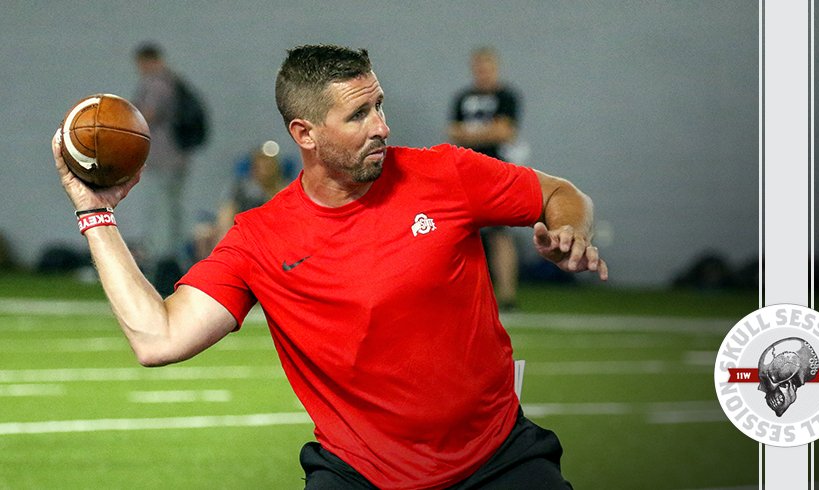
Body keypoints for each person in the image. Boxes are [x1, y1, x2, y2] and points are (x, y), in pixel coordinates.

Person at [51, 44, 607, 489]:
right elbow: (160, 338)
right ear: (305, 134)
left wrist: (568, 228)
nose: (382, 126)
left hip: (499, 460)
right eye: (358, 114)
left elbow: (559, 192)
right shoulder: (261, 238)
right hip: (359, 475)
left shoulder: (444, 174)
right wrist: (95, 215)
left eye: (379, 105)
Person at [448, 47, 522, 311]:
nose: (483, 72)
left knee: (500, 235)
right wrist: (487, 132)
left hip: (498, 172)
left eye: (487, 67)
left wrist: (472, 134)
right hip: (466, 173)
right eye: (479, 67)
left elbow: (505, 131)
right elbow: (453, 131)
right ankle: (466, 294)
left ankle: (508, 297)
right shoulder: (463, 97)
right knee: (463, 233)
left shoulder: (507, 96)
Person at [132, 42, 192, 292]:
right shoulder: (173, 81)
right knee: (170, 210)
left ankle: (165, 264)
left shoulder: (158, 83)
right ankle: (171, 259)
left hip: (164, 158)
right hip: (173, 157)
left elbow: (149, 114)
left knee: (163, 211)